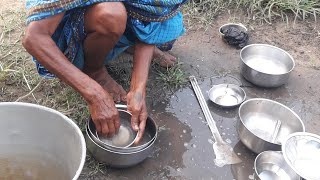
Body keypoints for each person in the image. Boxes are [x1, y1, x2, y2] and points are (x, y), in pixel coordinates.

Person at [23, 0, 187, 143]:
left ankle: (124, 41)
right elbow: (34, 38)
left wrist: (138, 89)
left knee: (165, 35)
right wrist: (94, 94)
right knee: (111, 15)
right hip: (70, 19)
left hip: (122, 11)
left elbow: (152, 15)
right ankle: (94, 71)